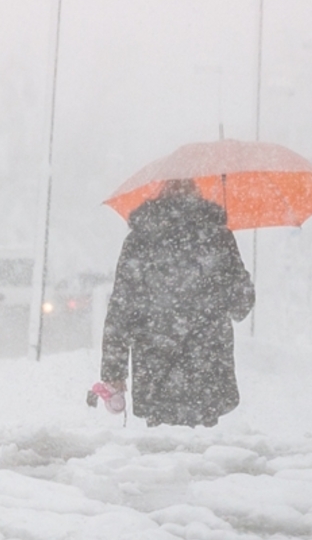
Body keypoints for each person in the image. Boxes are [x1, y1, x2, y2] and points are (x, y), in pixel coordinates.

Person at [99, 177, 254, 427]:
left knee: (160, 453)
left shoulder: (140, 240)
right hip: (208, 367)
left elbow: (121, 310)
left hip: (154, 368)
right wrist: (232, 283)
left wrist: (113, 374)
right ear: (197, 195)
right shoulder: (217, 238)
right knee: (206, 452)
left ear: (160, 194)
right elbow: (241, 306)